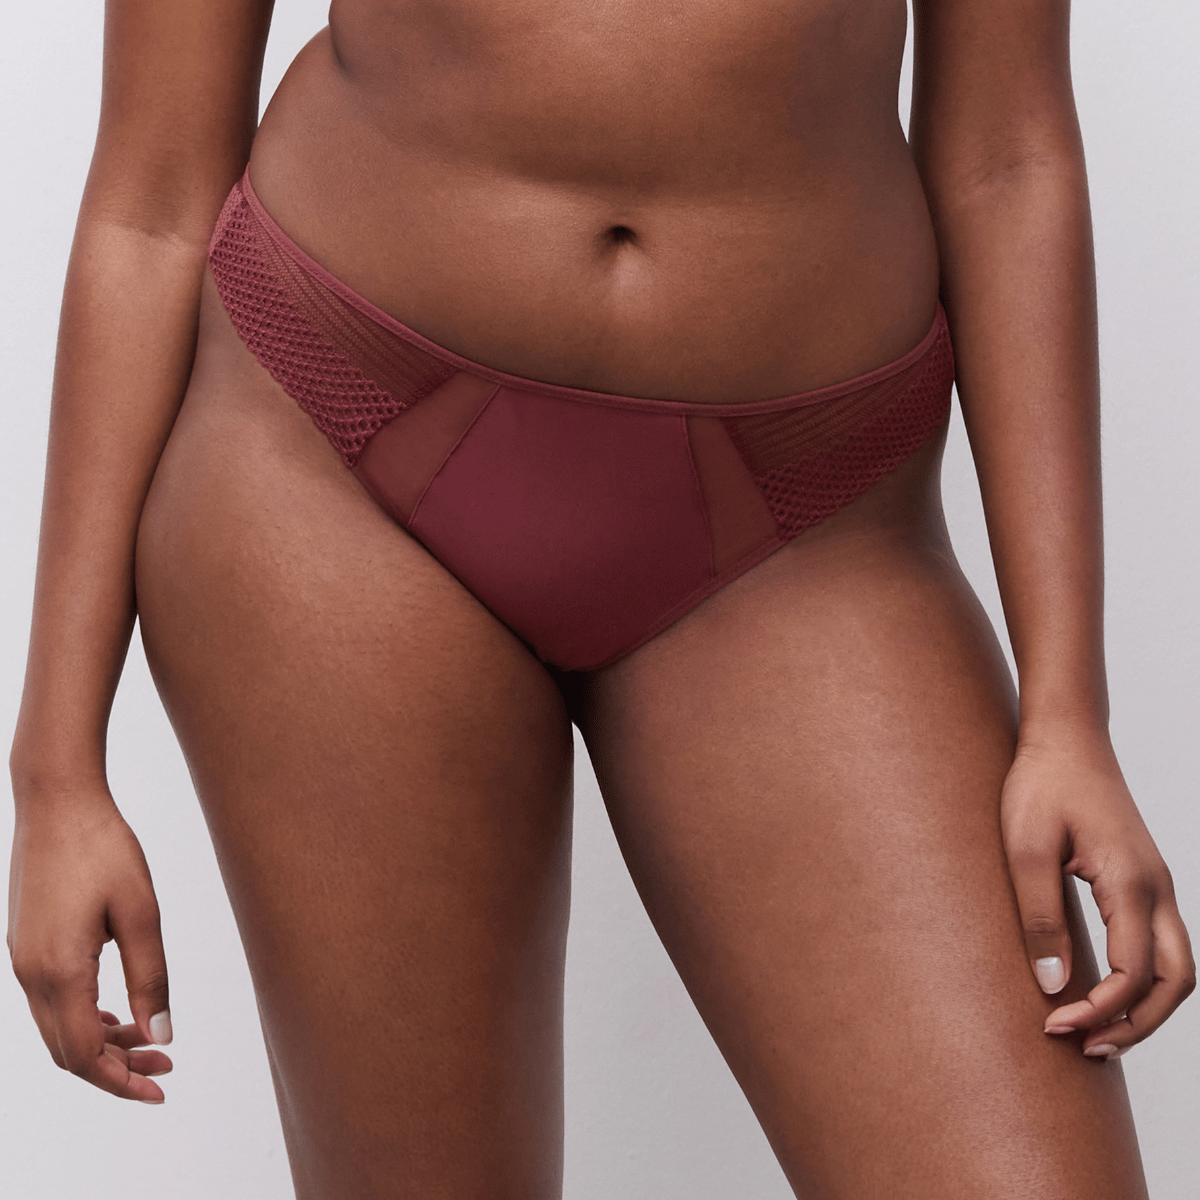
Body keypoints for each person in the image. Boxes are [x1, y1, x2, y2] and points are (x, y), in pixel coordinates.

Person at [7, 0, 1195, 1195]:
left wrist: (1067, 714)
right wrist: (56, 773)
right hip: (342, 451)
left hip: (806, 525)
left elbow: (1006, 161)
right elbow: (152, 203)